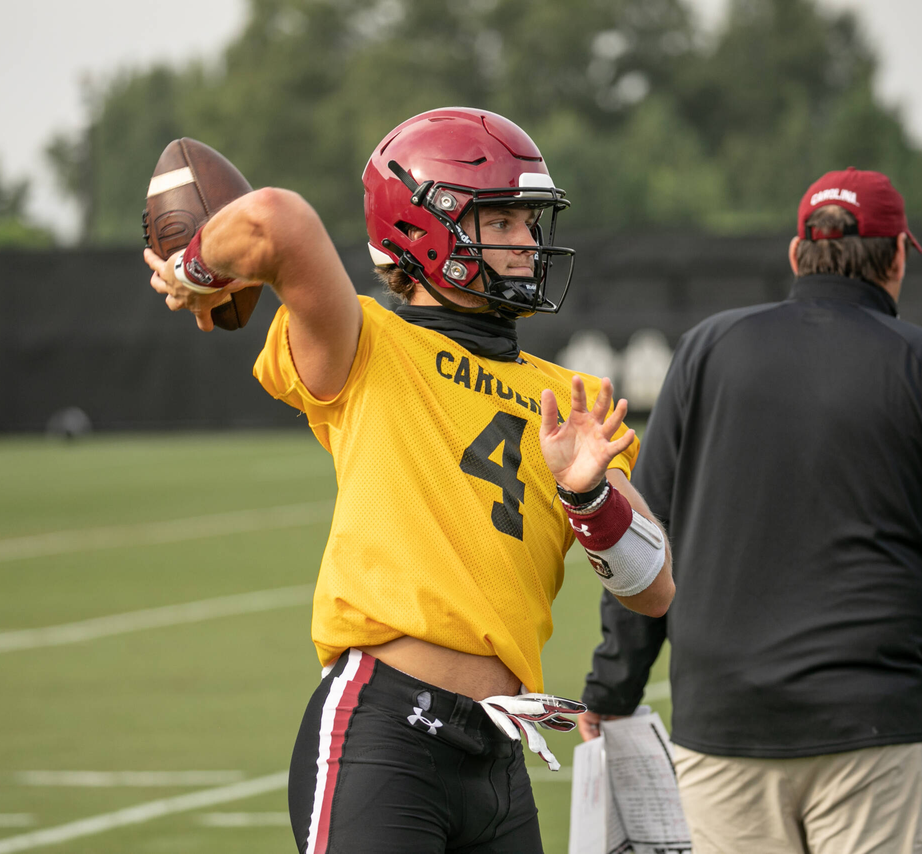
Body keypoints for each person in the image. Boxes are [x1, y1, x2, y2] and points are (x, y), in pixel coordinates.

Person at [143, 107, 674, 854]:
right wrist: (194, 271)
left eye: (530, 220)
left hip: (499, 754)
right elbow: (275, 217)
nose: (530, 240)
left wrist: (588, 495)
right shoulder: (367, 344)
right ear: (428, 228)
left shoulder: (567, 395)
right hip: (385, 731)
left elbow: (653, 587)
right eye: (506, 220)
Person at [578, 167, 922, 854]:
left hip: (724, 727)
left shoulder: (704, 350)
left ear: (795, 253)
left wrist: (613, 684)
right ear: (898, 256)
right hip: (876, 725)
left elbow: (647, 541)